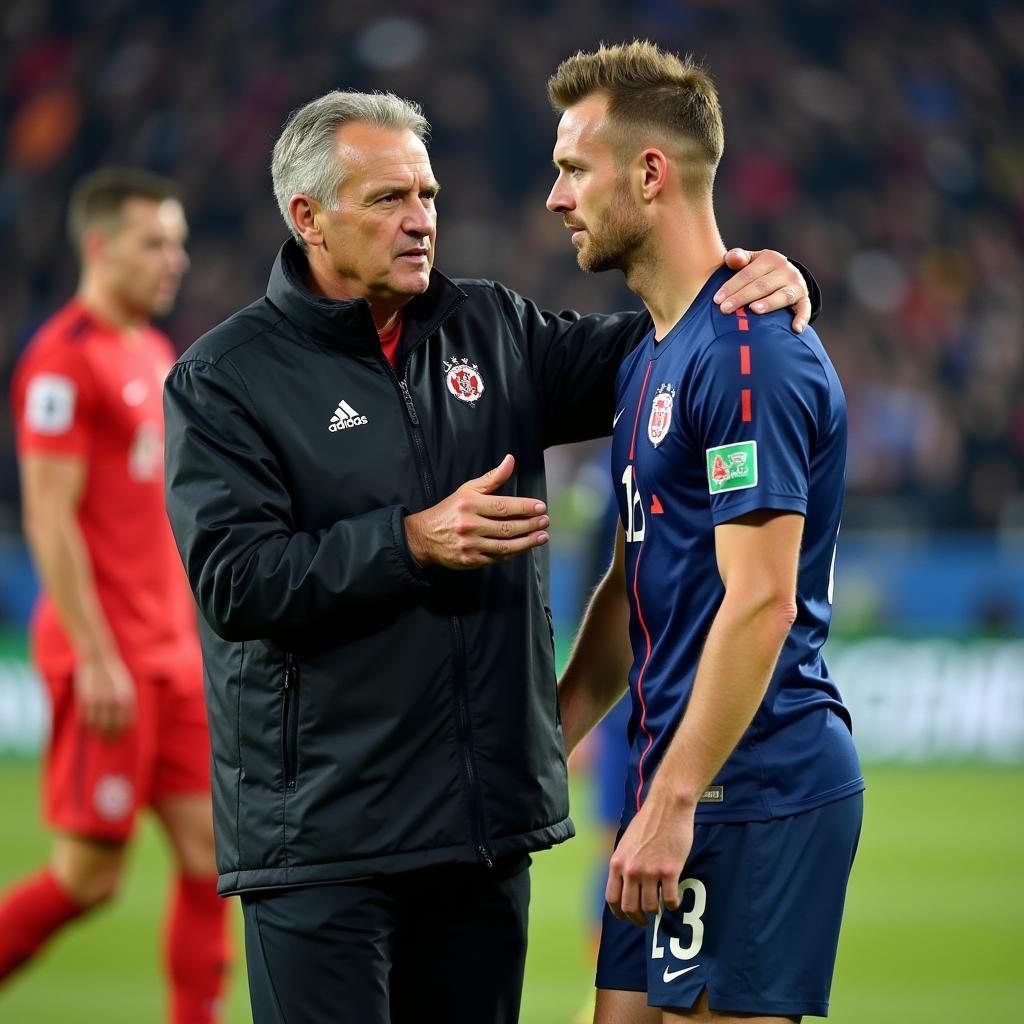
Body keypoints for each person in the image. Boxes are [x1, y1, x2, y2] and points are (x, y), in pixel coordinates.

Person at [161, 89, 815, 1024]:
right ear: (307, 217)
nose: (421, 220)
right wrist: (410, 541)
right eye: (389, 199)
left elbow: (676, 341)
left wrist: (773, 288)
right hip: (323, 846)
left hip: (478, 836)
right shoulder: (225, 381)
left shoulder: (493, 331)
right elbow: (235, 581)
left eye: (428, 196)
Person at [548, 43, 864, 1023]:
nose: (556, 198)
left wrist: (677, 799)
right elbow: (625, 587)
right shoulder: (651, 355)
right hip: (672, 787)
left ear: (650, 173)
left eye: (571, 169)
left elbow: (761, 598)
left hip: (752, 789)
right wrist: (538, 749)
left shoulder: (745, 353)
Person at [1, 169, 230, 1024]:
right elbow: (47, 516)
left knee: (215, 860)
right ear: (99, 248)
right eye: (153, 244)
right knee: (87, 879)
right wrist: (97, 656)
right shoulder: (62, 358)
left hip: (170, 655)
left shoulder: (151, 350)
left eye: (176, 241)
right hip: (110, 662)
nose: (174, 259)